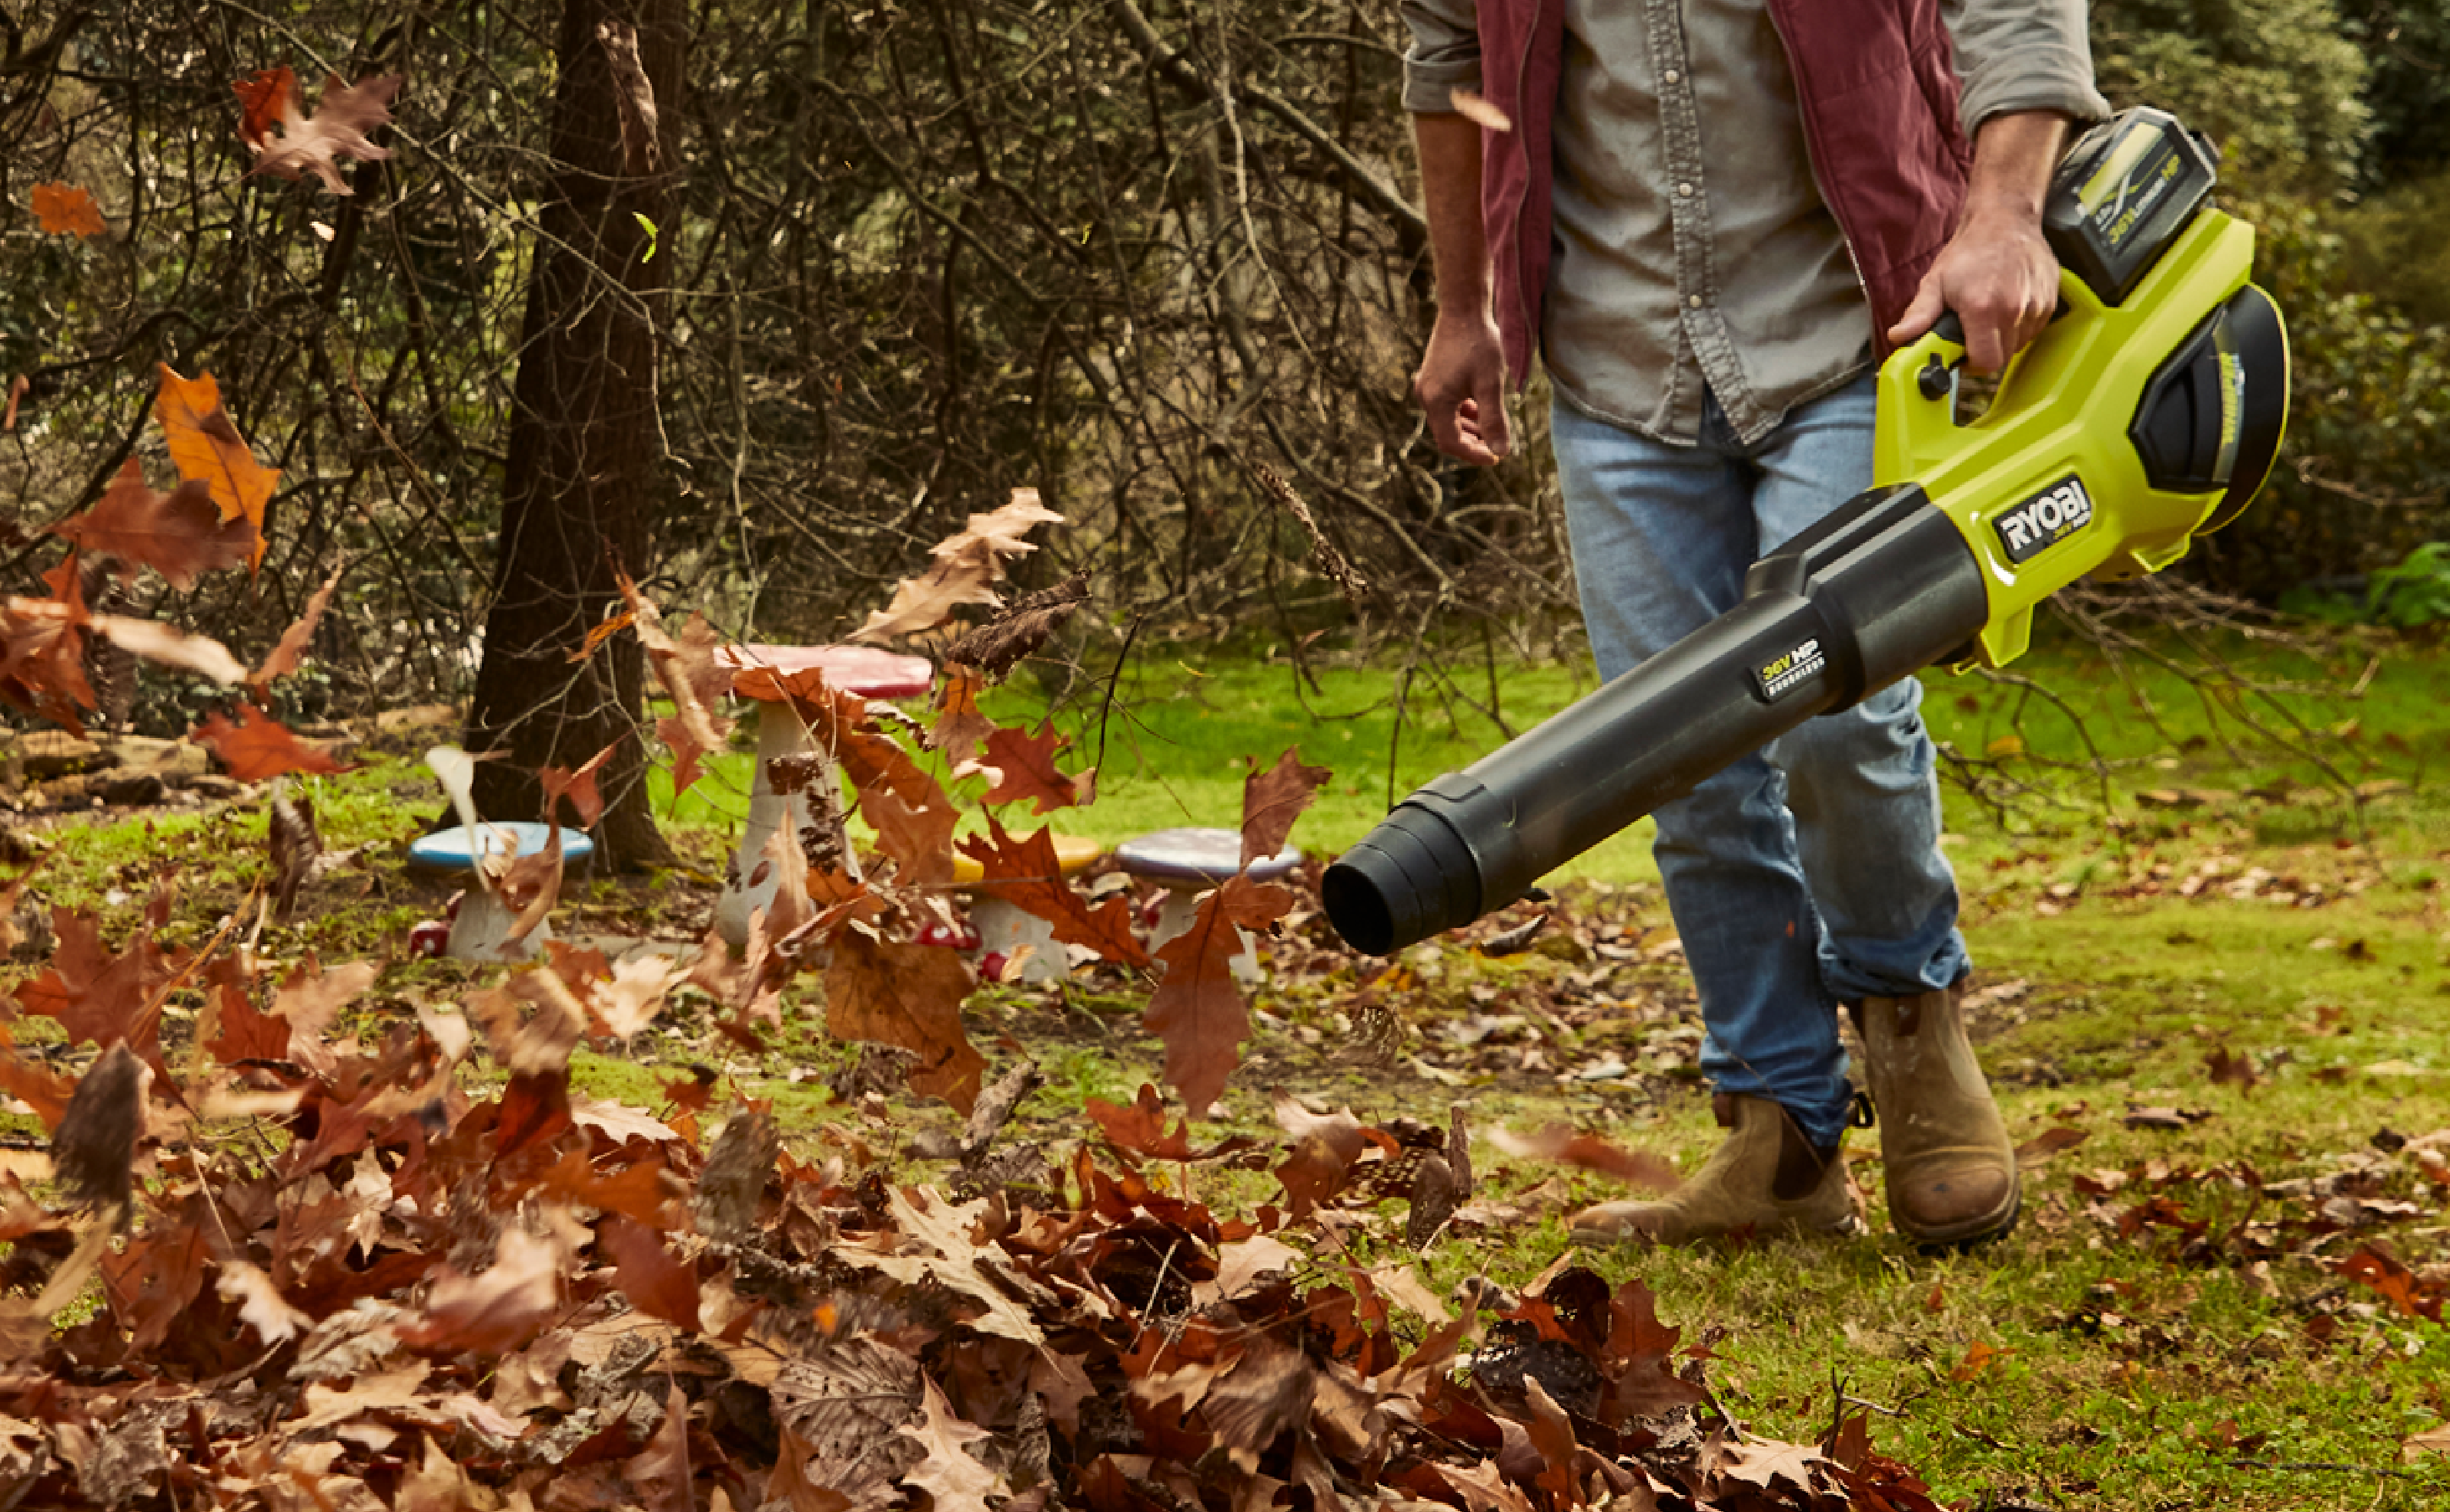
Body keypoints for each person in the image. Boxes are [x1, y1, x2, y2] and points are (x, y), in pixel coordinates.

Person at [1398, 0, 2108, 1247]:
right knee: (1678, 758)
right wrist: (1464, 305)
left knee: (1838, 713)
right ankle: (1776, 1135)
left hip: (1856, 327)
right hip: (1614, 358)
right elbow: (1448, 59)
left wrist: (2001, 212)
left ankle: (1913, 1027)